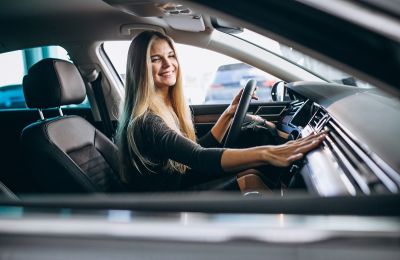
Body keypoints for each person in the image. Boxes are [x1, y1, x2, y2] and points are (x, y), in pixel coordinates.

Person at [116, 31, 325, 192]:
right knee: (250, 179)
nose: (168, 64)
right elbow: (199, 158)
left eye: (171, 55)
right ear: (140, 67)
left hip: (178, 185)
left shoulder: (166, 107)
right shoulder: (147, 122)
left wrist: (228, 115)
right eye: (155, 59)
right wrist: (269, 153)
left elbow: (192, 152)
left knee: (251, 157)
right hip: (164, 205)